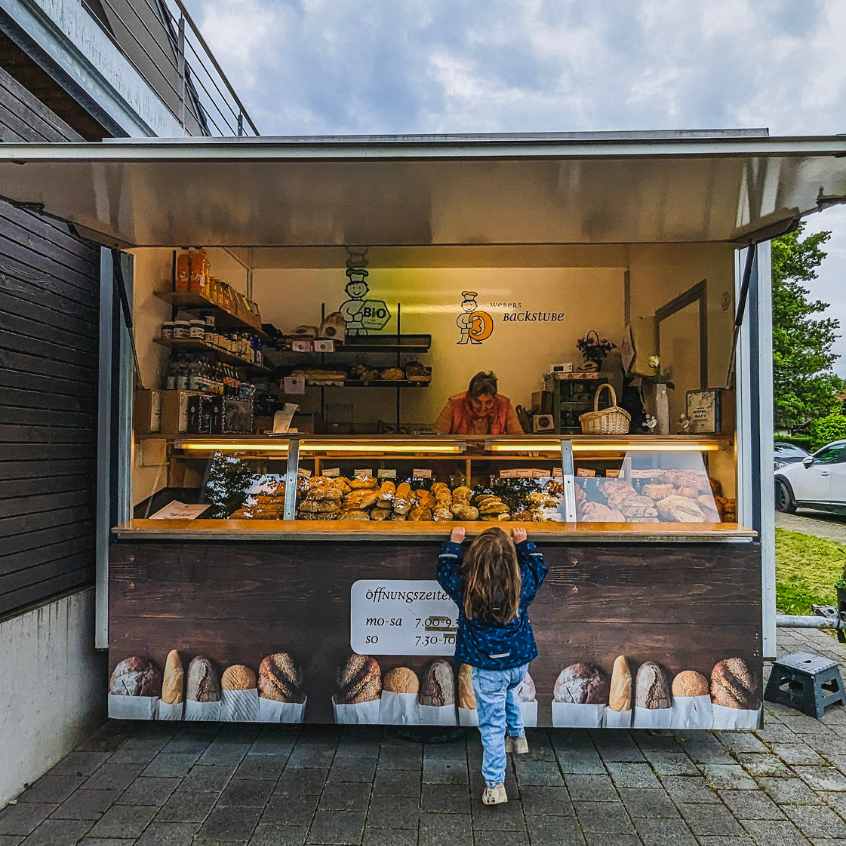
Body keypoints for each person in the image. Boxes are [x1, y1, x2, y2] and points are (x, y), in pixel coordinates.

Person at [437, 525, 548, 806]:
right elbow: (539, 568)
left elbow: (444, 573)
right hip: (517, 664)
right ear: (512, 563)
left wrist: (454, 544)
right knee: (510, 692)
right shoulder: (522, 585)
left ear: (473, 562)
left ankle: (495, 784)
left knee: (491, 726)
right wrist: (524, 544)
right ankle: (518, 737)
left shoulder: (466, 589)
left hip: (488, 669)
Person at [433, 371, 524, 435]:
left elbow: (517, 437)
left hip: (495, 461)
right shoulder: (454, 404)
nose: (482, 408)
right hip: (458, 460)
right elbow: (438, 437)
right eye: (477, 402)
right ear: (469, 397)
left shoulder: (504, 405)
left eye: (488, 402)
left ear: (494, 399)